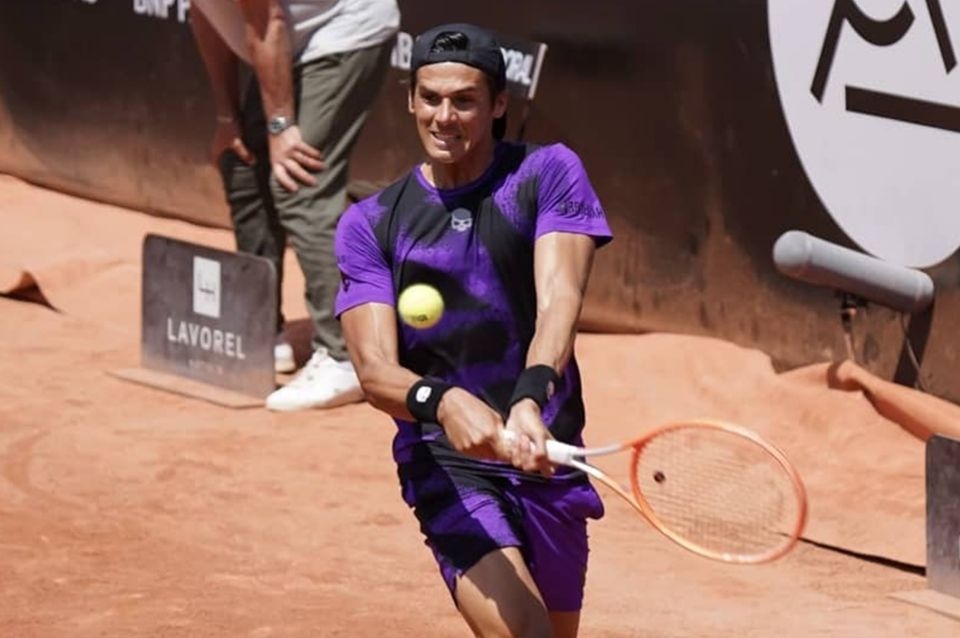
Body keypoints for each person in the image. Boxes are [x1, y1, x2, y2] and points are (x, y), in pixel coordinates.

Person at [334, 23, 613, 638]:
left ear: (498, 104)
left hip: (547, 456)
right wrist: (441, 401)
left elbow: (559, 301)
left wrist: (529, 399)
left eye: (464, 100)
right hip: (446, 462)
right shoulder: (371, 224)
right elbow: (374, 372)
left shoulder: (547, 173)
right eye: (430, 98)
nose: (444, 117)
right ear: (411, 100)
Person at [188, 0, 400, 411]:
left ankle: (346, 356)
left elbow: (267, 21)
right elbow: (206, 14)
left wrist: (281, 126)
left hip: (343, 30)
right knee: (243, 161)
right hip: (288, 41)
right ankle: (260, 332)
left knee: (300, 183)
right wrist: (227, 118)